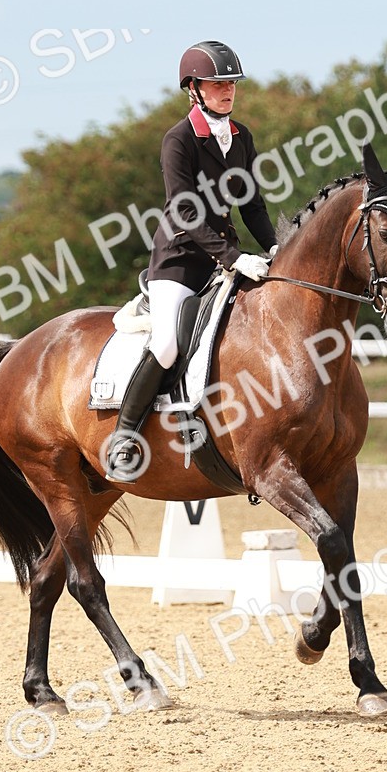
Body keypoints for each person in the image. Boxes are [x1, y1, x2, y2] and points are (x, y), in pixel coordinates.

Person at [106, 40, 278, 481]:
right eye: (217, 83)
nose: (228, 91)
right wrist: (236, 257)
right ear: (194, 89)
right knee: (166, 342)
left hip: (225, 260)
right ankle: (125, 435)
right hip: (180, 262)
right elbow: (185, 210)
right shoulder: (178, 140)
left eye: (232, 83)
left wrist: (275, 247)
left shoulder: (241, 137)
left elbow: (252, 203)